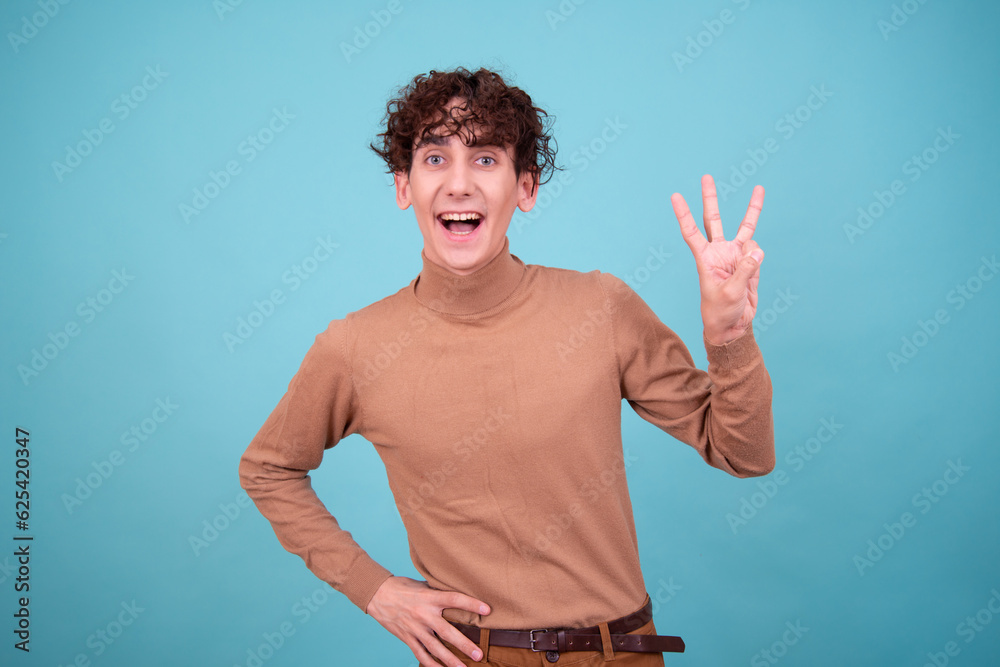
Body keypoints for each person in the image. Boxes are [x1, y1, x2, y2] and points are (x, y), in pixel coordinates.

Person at [239, 66, 775, 667]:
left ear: (526, 189)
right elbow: (268, 469)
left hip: (620, 653)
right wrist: (375, 590)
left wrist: (729, 334)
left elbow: (744, 454)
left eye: (486, 159)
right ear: (403, 186)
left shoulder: (601, 307)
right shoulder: (355, 347)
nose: (459, 184)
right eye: (435, 158)